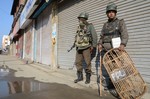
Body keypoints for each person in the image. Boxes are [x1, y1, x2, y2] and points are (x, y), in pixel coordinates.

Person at [98, 2, 129, 89]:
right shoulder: (105, 25)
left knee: (118, 67)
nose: (111, 13)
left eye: (112, 11)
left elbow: (125, 34)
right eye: (109, 12)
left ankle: (121, 85)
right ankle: (112, 84)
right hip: (106, 51)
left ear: (115, 13)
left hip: (116, 50)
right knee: (109, 68)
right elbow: (101, 36)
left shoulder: (120, 22)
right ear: (107, 14)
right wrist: (100, 44)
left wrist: (123, 44)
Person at [74, 12, 97, 84]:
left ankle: (88, 78)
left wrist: (93, 46)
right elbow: (77, 36)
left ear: (85, 19)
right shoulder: (78, 27)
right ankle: (80, 77)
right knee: (78, 62)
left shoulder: (89, 26)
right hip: (79, 47)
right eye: (79, 19)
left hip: (86, 47)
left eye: (81, 19)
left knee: (87, 63)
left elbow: (94, 36)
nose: (80, 20)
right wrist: (75, 44)